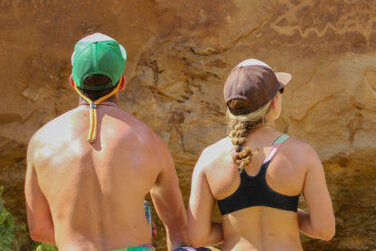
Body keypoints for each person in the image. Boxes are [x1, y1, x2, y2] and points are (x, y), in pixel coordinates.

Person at [24, 32, 189, 251]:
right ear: (121, 82)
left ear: (73, 82)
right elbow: (178, 231)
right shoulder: (150, 141)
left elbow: (38, 229)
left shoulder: (42, 141)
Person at [187, 59, 334, 251]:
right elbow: (324, 230)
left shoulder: (210, 158)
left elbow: (198, 237)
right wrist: (285, 214)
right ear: (274, 102)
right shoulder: (302, 153)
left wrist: (239, 225)